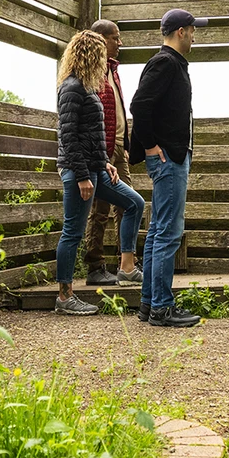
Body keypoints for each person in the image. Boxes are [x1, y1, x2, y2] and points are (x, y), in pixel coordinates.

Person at [54, 31, 146, 315]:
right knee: (73, 231)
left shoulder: (88, 87)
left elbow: (91, 134)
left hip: (97, 169)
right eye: (101, 53)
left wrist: (104, 162)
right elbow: (68, 137)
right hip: (78, 172)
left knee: (134, 203)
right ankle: (65, 297)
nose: (106, 57)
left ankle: (126, 268)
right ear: (90, 54)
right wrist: (82, 175)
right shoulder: (71, 88)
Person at [129, 8, 208, 328]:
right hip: (168, 159)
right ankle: (162, 306)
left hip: (171, 156)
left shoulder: (172, 63)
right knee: (168, 232)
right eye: (192, 30)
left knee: (159, 231)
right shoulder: (165, 62)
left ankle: (149, 305)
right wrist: (151, 145)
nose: (194, 35)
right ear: (180, 31)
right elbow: (139, 105)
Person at [82, 19, 141, 287]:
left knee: (129, 204)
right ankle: (95, 266)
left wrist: (126, 147)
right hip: (102, 151)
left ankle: (127, 263)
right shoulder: (90, 72)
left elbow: (117, 110)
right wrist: (100, 156)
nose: (120, 43)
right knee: (100, 209)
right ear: (102, 39)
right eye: (115, 38)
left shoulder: (113, 70)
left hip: (119, 147)